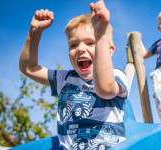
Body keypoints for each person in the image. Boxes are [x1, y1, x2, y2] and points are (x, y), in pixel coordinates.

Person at [19, 1, 128, 149]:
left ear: (109, 50)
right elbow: (28, 68)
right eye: (73, 45)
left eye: (90, 43)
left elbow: (105, 89)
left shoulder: (116, 74)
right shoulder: (65, 79)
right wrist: (34, 32)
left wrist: (100, 35)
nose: (80, 49)